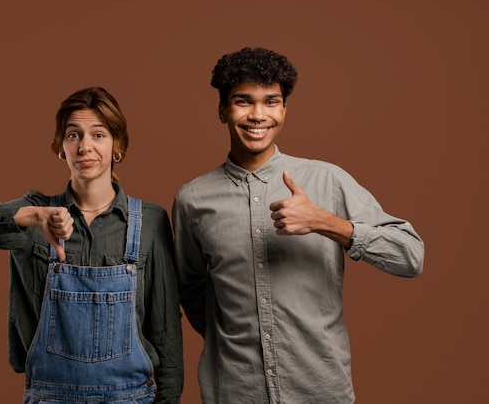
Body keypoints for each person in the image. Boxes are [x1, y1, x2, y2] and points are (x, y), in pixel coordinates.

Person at [171, 47, 424, 404]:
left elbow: (411, 256)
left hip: (320, 390)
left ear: (284, 109)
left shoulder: (328, 180)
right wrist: (234, 338)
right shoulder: (192, 199)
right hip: (234, 391)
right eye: (244, 101)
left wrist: (326, 222)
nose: (258, 115)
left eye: (271, 102)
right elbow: (190, 287)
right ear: (223, 110)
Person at [0, 87, 183, 404]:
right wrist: (30, 216)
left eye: (98, 135)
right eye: (73, 135)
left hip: (130, 397)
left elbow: (166, 327)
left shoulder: (149, 221)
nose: (85, 147)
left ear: (117, 145)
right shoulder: (33, 215)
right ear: (61, 147)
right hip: (50, 396)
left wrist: (170, 398)